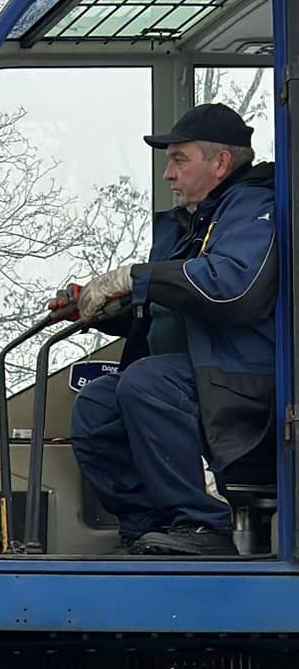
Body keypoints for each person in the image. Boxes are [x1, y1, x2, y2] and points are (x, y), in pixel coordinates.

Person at [63, 102, 277, 557]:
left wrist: (136, 276)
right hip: (202, 376)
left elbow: (232, 290)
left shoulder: (255, 208)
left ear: (220, 163)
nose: (168, 175)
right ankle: (148, 525)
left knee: (147, 381)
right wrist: (105, 308)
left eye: (179, 160)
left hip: (249, 383)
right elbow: (173, 308)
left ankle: (203, 525)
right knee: (98, 404)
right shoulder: (193, 223)